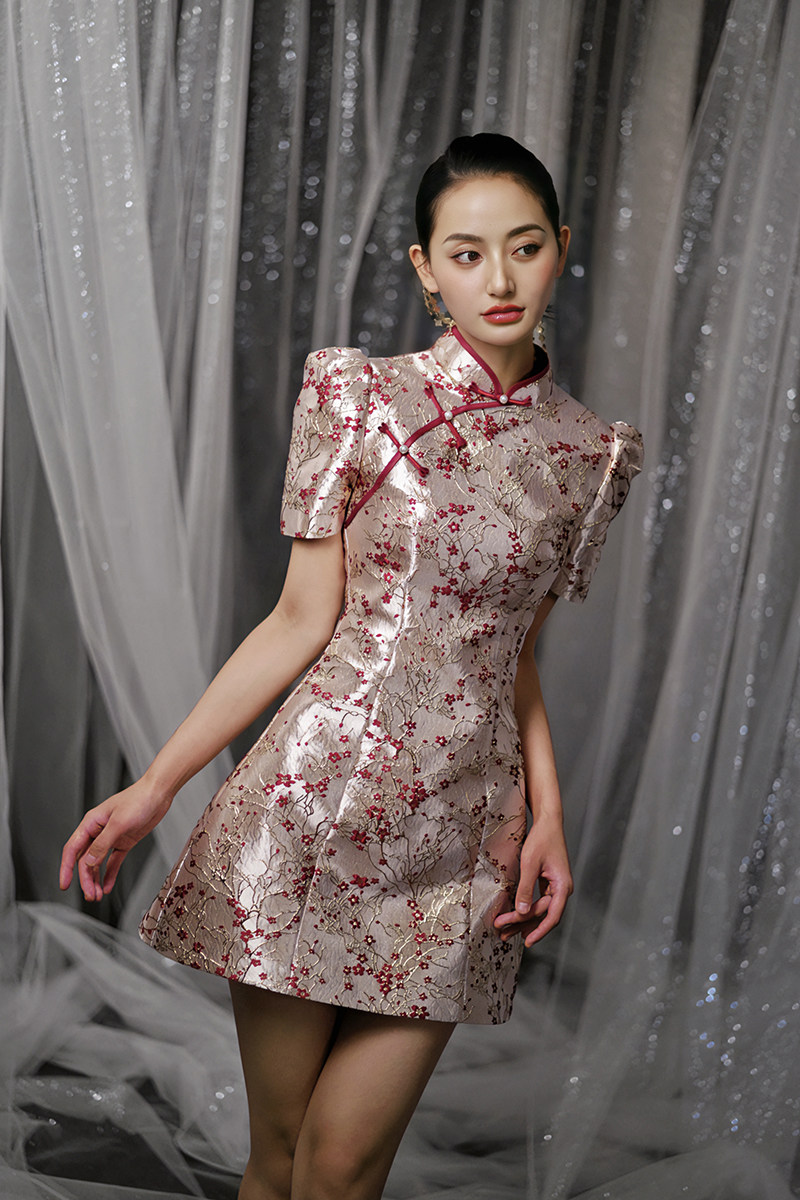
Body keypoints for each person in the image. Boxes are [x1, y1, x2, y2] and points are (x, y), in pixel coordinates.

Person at [60, 133, 642, 1200]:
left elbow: (513, 656)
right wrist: (156, 786)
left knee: (342, 1166)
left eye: (523, 247)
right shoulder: (360, 395)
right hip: (313, 807)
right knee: (282, 1158)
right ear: (425, 268)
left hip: (462, 840)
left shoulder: (590, 453)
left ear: (560, 249)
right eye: (466, 253)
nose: (499, 279)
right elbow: (297, 621)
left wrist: (548, 816)